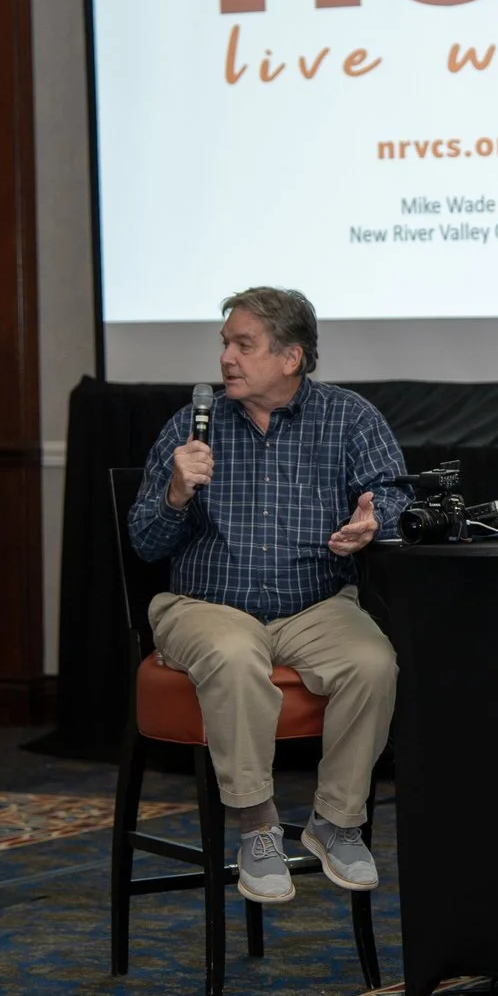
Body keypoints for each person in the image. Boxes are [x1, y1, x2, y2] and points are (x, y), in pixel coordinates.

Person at [128, 287, 409, 904]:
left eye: (243, 345)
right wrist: (175, 493)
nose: (226, 357)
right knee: (234, 654)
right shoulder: (190, 426)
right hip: (205, 606)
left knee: (372, 663)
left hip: (314, 605)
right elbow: (145, 542)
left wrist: (373, 522)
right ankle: (256, 827)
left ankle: (335, 822)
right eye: (225, 344)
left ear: (290, 357)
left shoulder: (349, 418)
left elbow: (392, 495)